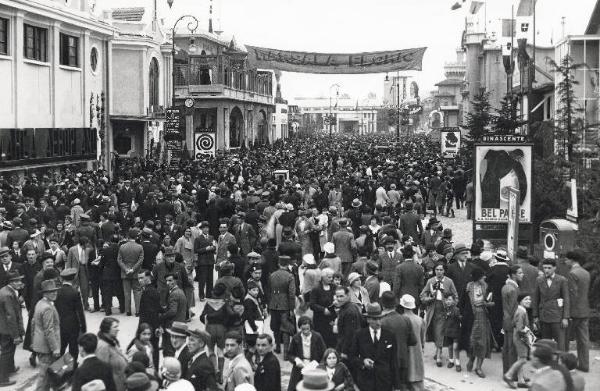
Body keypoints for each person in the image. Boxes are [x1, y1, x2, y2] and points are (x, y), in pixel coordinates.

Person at [349, 303, 397, 391]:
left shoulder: (390, 335)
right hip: (366, 382)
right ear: (368, 320)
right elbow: (352, 357)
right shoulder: (359, 335)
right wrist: (363, 362)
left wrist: (397, 386)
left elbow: (394, 361)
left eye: (380, 318)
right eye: (375, 319)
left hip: (384, 382)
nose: (378, 322)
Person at [420, 262, 458, 367]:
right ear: (434, 271)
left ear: (444, 271)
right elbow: (422, 296)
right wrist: (430, 298)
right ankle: (438, 350)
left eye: (441, 270)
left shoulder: (449, 282)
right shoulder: (430, 281)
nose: (439, 272)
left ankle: (438, 356)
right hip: (433, 310)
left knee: (440, 332)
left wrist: (450, 304)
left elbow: (455, 296)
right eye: (437, 270)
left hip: (444, 310)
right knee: (434, 332)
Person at [532, 258, 570, 352]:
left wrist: (565, 317)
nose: (546, 270)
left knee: (560, 344)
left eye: (549, 268)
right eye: (545, 268)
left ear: (554, 268)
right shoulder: (539, 280)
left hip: (557, 316)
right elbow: (536, 299)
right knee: (545, 344)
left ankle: (561, 363)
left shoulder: (562, 280)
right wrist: (535, 316)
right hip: (544, 316)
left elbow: (566, 299)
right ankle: (547, 364)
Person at [380, 291, 416, 389]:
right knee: (401, 386)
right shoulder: (405, 319)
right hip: (403, 359)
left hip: (387, 363)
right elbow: (413, 341)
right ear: (395, 304)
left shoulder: (382, 322)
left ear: (383, 305)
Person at [32, 279, 62, 391]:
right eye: (51, 292)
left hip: (41, 345)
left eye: (55, 291)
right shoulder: (47, 308)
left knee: (48, 375)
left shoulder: (40, 303)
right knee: (45, 377)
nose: (55, 293)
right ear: (44, 293)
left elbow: (33, 324)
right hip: (47, 347)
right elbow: (49, 330)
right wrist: (55, 348)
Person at [464, 268, 494, 378]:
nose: (485, 277)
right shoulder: (469, 286)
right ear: (478, 276)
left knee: (483, 342)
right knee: (473, 340)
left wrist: (489, 304)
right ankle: (471, 359)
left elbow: (488, 301)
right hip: (472, 316)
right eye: (482, 276)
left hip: (483, 316)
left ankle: (479, 367)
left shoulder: (485, 286)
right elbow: (465, 303)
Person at [564, 249, 590, 372]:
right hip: (584, 310)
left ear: (572, 260)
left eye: (566, 259)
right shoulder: (586, 273)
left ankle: (566, 365)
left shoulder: (572, 273)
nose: (565, 261)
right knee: (583, 340)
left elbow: (571, 295)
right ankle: (584, 365)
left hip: (573, 312)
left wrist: (567, 313)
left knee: (565, 339)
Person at [55, 267, 87, 364]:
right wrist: (83, 326)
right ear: (73, 279)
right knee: (73, 348)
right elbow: (80, 311)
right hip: (73, 325)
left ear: (62, 279)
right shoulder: (75, 292)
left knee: (61, 347)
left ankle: (59, 369)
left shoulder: (57, 292)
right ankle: (71, 368)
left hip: (60, 324)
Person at [200, 283, 232, 377]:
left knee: (210, 350)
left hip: (210, 328)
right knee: (220, 351)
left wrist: (206, 321)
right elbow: (230, 317)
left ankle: (215, 369)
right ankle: (221, 375)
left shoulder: (209, 303)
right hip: (222, 329)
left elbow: (201, 316)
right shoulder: (225, 303)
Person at [287, 316, 327, 391]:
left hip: (314, 367)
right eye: (303, 329)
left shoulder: (317, 337)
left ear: (310, 327)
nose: (305, 331)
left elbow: (325, 353)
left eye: (307, 329)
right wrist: (296, 360)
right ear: (299, 328)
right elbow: (289, 354)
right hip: (300, 367)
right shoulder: (296, 338)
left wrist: (318, 364)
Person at [0, 271, 25, 387]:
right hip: (7, 329)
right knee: (7, 352)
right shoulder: (8, 294)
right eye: (18, 281)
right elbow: (11, 316)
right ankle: (2, 378)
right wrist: (16, 335)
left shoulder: (5, 290)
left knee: (9, 350)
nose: (21, 283)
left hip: (4, 327)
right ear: (12, 282)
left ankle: (10, 368)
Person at [503, 293, 533, 389]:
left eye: (529, 299)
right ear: (520, 301)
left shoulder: (521, 310)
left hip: (519, 336)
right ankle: (508, 375)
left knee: (521, 358)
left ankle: (521, 380)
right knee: (523, 359)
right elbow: (520, 328)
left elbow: (514, 324)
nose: (529, 301)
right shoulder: (521, 312)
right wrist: (531, 337)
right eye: (526, 299)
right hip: (521, 338)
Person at [268, 255, 296, 356]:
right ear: (288, 264)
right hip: (285, 305)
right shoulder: (290, 276)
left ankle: (278, 347)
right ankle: (286, 352)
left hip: (273, 304)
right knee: (286, 328)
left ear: (279, 264)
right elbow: (292, 294)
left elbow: (269, 290)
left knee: (275, 326)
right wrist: (292, 308)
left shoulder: (272, 275)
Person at [399, 294, 426, 391]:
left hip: (406, 352)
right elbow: (423, 338)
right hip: (417, 350)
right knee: (417, 379)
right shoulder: (420, 320)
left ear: (403, 306)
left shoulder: (401, 319)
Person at [137, 269, 162, 369]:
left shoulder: (148, 292)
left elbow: (151, 313)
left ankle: (153, 371)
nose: (139, 280)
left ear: (148, 278)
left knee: (152, 350)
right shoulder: (151, 290)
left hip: (149, 328)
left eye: (142, 278)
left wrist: (145, 329)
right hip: (152, 327)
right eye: (138, 278)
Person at [96, 317, 129, 391]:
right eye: (115, 327)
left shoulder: (112, 341)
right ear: (106, 329)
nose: (118, 329)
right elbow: (102, 372)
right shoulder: (102, 347)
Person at [117, 228, 144, 316]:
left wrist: (125, 269)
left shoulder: (122, 246)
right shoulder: (139, 247)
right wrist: (133, 269)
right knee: (137, 292)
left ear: (128, 236)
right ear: (136, 237)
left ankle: (128, 311)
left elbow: (119, 260)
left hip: (125, 273)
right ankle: (138, 311)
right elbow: (141, 260)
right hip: (136, 273)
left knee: (127, 292)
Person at [160, 273, 188, 357]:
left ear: (176, 281)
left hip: (172, 326)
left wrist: (162, 317)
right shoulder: (180, 291)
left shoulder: (174, 294)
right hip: (180, 324)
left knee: (169, 351)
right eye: (167, 281)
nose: (168, 283)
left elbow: (172, 311)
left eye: (170, 280)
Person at [501, 265, 522, 373]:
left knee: (507, 348)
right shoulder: (513, 289)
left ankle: (507, 371)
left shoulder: (506, 286)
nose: (522, 275)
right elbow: (513, 308)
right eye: (520, 273)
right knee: (512, 349)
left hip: (506, 319)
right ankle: (511, 373)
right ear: (513, 275)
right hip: (512, 320)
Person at [310, 268, 337, 348]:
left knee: (332, 340)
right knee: (321, 340)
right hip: (320, 320)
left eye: (332, 277)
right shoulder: (316, 289)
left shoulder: (334, 287)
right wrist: (323, 310)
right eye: (329, 277)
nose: (331, 279)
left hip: (332, 318)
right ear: (323, 277)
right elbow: (312, 304)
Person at [334, 286, 362, 359]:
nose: (339, 299)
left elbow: (350, 333)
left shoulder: (349, 311)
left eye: (341, 296)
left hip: (349, 350)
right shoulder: (349, 307)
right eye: (337, 297)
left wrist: (344, 351)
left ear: (347, 296)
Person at [195, 221, 216, 301]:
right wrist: (205, 249)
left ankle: (209, 294)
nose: (206, 229)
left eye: (207, 228)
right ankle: (201, 295)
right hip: (202, 261)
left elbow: (214, 247)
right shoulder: (198, 238)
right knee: (202, 279)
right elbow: (196, 250)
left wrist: (213, 248)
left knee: (210, 279)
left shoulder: (211, 237)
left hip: (210, 260)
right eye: (204, 228)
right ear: (202, 229)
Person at [442, 294, 461, 371]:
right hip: (448, 331)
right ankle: (451, 361)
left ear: (453, 301)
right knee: (449, 347)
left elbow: (459, 318)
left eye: (450, 300)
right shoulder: (445, 309)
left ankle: (458, 363)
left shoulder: (456, 310)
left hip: (456, 331)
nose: (448, 301)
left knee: (456, 347)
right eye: (446, 300)